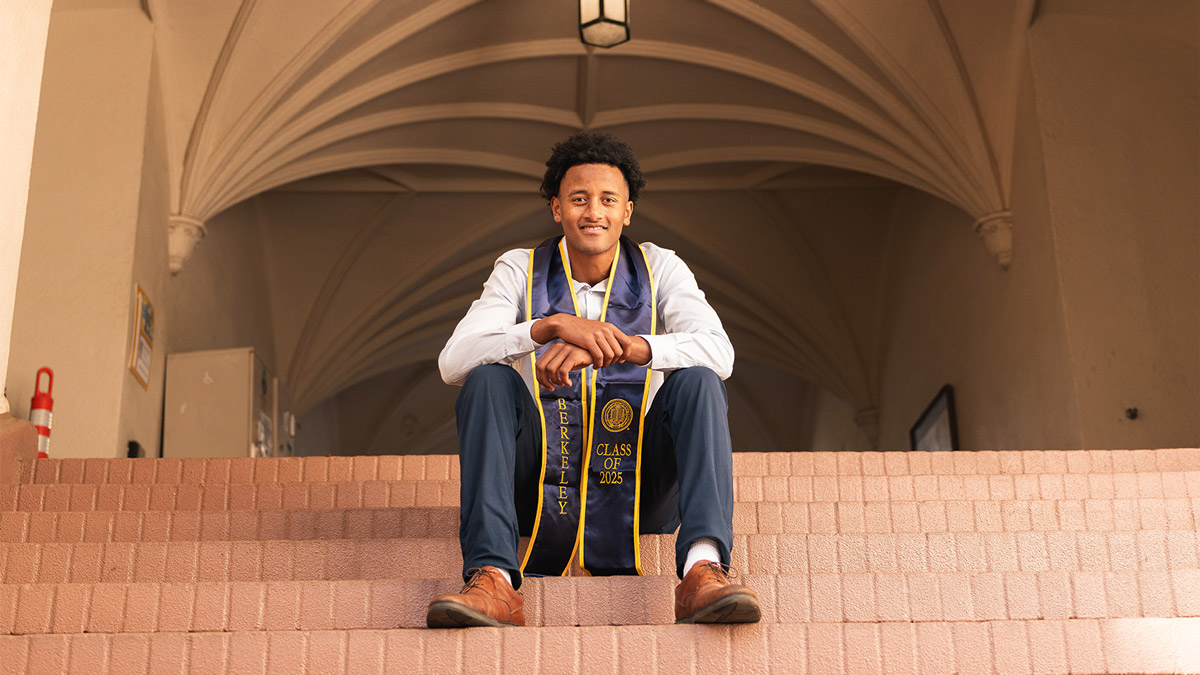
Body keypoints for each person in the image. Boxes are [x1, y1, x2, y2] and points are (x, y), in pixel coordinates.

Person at [426, 132, 759, 628]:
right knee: (487, 382)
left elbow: (720, 351)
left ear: (628, 212)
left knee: (699, 381)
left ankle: (701, 570)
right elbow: (453, 360)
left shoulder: (660, 267)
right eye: (578, 199)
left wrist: (624, 345)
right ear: (557, 208)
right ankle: (494, 577)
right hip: (534, 483)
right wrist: (547, 326)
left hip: (642, 482)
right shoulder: (519, 269)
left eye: (608, 200)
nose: (593, 212)